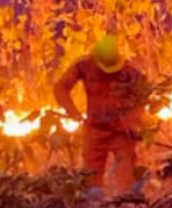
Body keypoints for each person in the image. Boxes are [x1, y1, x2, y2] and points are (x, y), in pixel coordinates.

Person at [54, 35, 149, 194]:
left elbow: (144, 96)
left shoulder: (131, 72)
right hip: (95, 130)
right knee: (92, 176)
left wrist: (134, 121)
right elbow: (60, 88)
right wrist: (73, 112)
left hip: (122, 132)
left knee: (126, 175)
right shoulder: (83, 66)